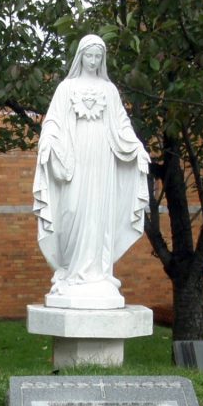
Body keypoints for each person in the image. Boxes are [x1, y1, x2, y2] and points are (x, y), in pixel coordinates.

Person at [33, 34, 150, 309]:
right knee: (73, 210)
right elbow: (53, 121)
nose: (94, 61)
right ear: (81, 56)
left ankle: (98, 274)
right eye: (89, 55)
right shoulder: (67, 87)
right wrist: (48, 141)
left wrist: (137, 148)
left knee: (98, 213)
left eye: (98, 56)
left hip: (102, 158)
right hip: (73, 158)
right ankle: (72, 272)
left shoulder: (109, 90)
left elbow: (122, 125)